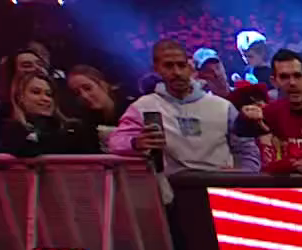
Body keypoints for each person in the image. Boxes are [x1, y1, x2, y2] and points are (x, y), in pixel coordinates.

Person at [110, 40, 257, 176]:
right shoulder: (143, 107)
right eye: (168, 66)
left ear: (189, 67)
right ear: (156, 69)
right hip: (169, 188)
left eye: (181, 65)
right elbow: (115, 142)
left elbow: (247, 150)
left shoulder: (223, 107)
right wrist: (135, 143)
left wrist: (241, 175)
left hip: (220, 186)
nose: (177, 72)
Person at [0, 71, 101, 156]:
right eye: (36, 92)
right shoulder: (11, 129)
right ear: (19, 97)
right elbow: (27, 149)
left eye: (49, 94)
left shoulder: (75, 128)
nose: (46, 99)